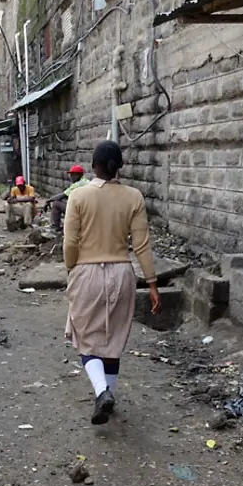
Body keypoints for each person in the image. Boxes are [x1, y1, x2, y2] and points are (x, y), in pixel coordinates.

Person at [63, 141, 161, 425]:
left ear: (93, 166)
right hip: (122, 273)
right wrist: (152, 284)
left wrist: (72, 270)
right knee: (113, 339)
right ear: (119, 166)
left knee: (86, 337)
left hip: (87, 272)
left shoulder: (78, 196)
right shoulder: (133, 197)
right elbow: (141, 246)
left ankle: (102, 391)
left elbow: (71, 242)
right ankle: (108, 396)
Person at [45, 164, 90, 232]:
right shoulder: (87, 181)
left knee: (56, 203)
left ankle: (55, 227)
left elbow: (62, 195)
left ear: (78, 175)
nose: (70, 177)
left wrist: (48, 201)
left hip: (81, 213)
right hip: (88, 212)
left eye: (72, 175)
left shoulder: (78, 184)